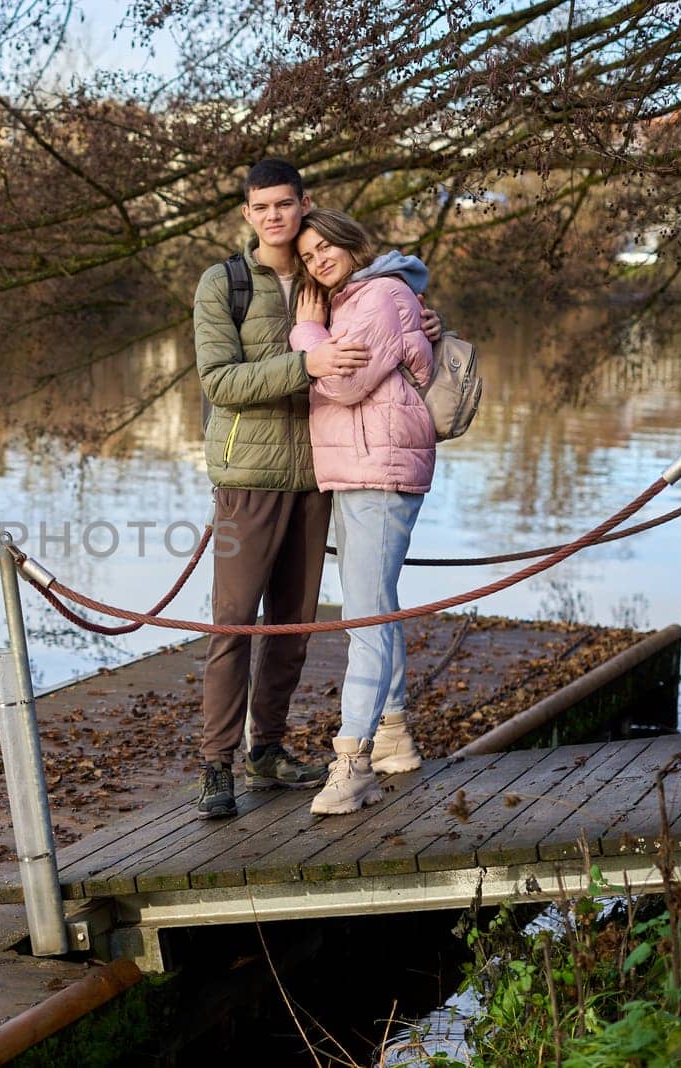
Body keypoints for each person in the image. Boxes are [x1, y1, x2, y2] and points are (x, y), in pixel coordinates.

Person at [192, 160, 440, 820]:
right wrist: (306, 361)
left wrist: (418, 325)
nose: (274, 216)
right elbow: (219, 381)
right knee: (232, 622)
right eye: (261, 207)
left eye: (285, 205)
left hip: (320, 476)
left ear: (305, 205)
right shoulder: (227, 283)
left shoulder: (322, 278)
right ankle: (217, 762)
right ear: (247, 214)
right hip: (248, 475)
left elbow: (381, 315)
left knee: (294, 627)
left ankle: (266, 749)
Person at [289, 207, 436, 816]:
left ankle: (352, 763)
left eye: (325, 246)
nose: (318, 259)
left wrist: (306, 333)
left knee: (365, 618)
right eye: (307, 255)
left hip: (381, 468)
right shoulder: (354, 300)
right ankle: (395, 735)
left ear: (351, 243)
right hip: (360, 467)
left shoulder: (376, 297)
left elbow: (345, 386)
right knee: (375, 605)